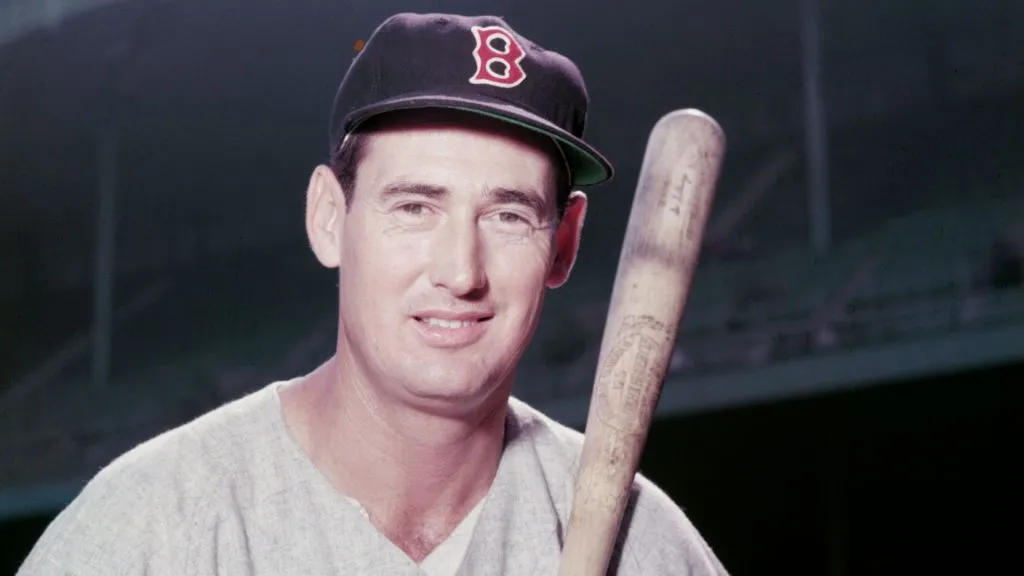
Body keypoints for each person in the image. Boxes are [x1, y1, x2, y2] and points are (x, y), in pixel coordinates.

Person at [18, 13, 728, 576]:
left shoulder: (646, 547)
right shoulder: (151, 527)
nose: (460, 270)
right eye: (415, 206)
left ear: (563, 243)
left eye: (508, 214)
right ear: (330, 220)